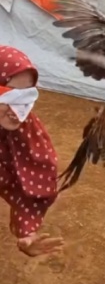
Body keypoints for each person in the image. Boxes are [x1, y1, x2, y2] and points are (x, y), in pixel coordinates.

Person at [0, 45, 64, 257]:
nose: (17, 112)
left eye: (26, 99)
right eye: (9, 99)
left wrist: (27, 231)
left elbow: (36, 175)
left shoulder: (25, 129)